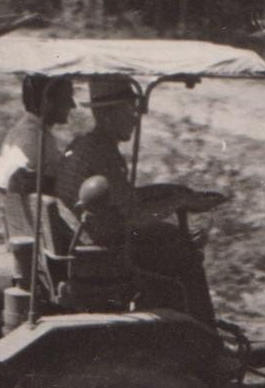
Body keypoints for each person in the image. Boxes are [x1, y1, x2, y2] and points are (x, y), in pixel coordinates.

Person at [57, 78, 221, 326]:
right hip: (104, 251)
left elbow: (122, 197)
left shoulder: (85, 145)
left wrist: (170, 192)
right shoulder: (103, 154)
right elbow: (132, 216)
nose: (135, 119)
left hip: (85, 239)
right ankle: (204, 331)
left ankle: (184, 320)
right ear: (108, 115)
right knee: (184, 250)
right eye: (130, 111)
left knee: (170, 235)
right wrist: (179, 201)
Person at [0, 75, 75, 244]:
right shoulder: (31, 138)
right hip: (31, 236)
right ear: (47, 102)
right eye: (67, 98)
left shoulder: (29, 131)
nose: (73, 105)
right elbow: (20, 181)